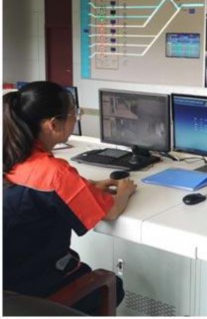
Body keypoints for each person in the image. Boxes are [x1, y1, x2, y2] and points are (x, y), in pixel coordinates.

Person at [3, 81, 137, 315]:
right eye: (75, 114)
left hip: (9, 281)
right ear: (54, 124)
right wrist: (125, 190)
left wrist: (87, 186)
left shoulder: (10, 155)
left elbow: (32, 192)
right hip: (35, 286)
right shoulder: (55, 173)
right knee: (113, 285)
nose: (76, 118)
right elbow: (111, 212)